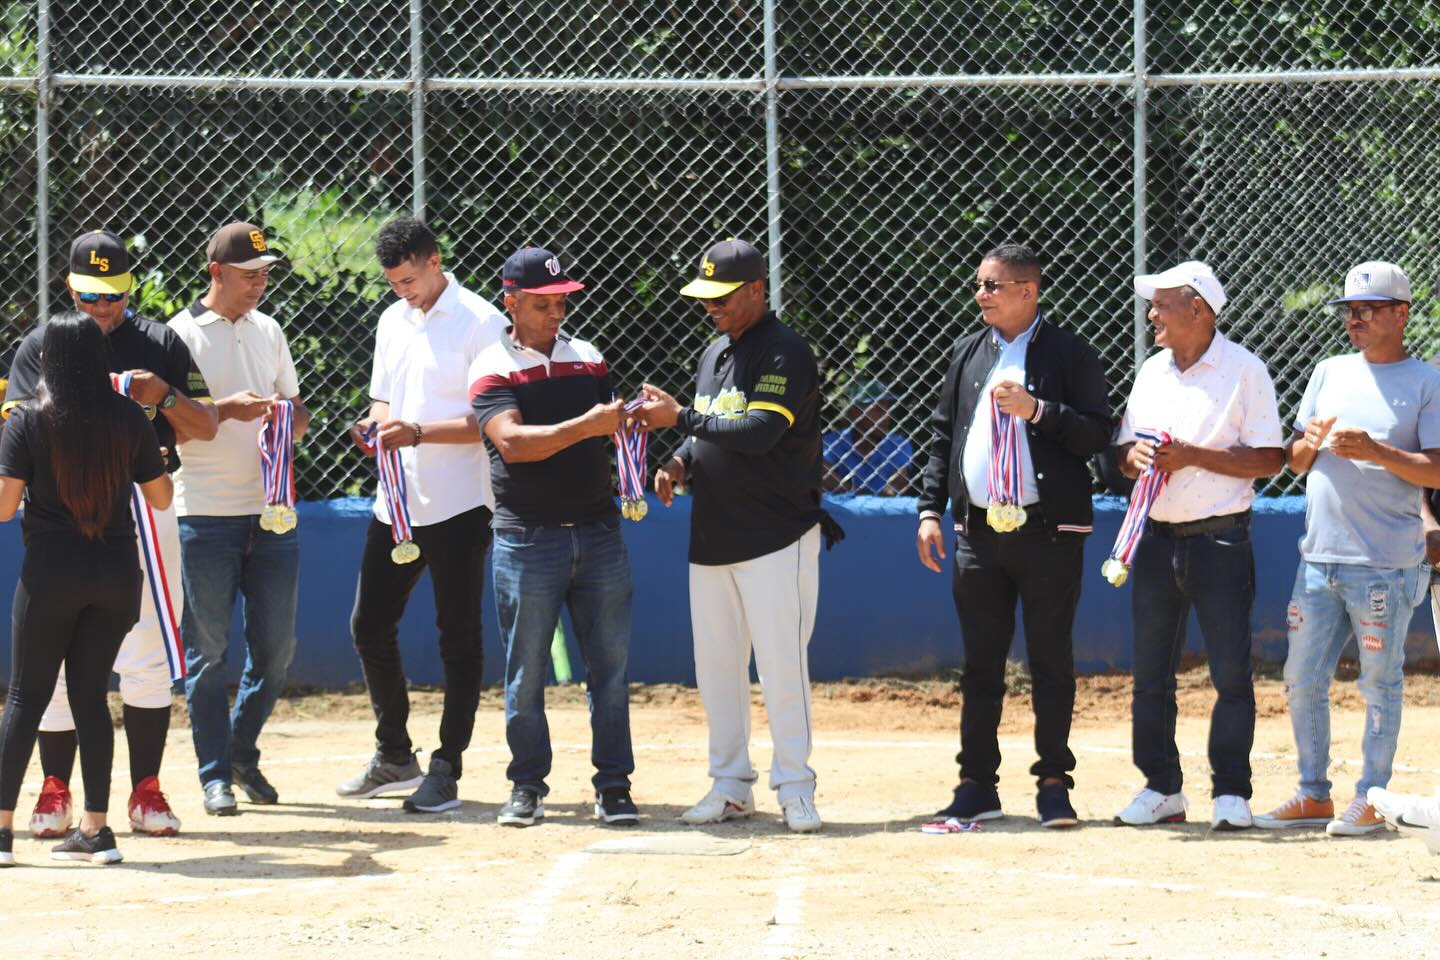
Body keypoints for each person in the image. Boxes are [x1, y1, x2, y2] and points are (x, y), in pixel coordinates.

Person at [4, 230, 217, 840]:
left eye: (115, 296)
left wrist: (165, 395)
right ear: (70, 286)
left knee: (148, 649)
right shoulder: (43, 343)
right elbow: (17, 424)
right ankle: (54, 788)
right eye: (93, 296)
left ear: (131, 288)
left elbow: (205, 424)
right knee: (55, 660)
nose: (104, 309)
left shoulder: (157, 339)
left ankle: (145, 789)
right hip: (61, 509)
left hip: (146, 505)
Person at [638, 237, 835, 834]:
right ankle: (729, 787)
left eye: (722, 297)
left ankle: (796, 788)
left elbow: (756, 433)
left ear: (756, 290)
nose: (711, 307)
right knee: (718, 669)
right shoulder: (715, 351)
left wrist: (679, 419)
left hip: (777, 535)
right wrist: (678, 461)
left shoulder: (784, 352)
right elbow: (710, 428)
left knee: (782, 668)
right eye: (705, 296)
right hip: (714, 535)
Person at [915, 242, 1111, 828]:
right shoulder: (966, 352)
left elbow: (1096, 433)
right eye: (979, 283)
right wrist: (929, 510)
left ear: (1029, 291)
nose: (980, 294)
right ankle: (977, 784)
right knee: (980, 664)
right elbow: (943, 435)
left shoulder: (1069, 353)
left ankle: (1054, 783)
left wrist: (1037, 411)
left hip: (1048, 532)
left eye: (992, 285)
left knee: (1051, 660)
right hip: (976, 531)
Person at [1255, 261, 1440, 835]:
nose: (1353, 319)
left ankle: (1372, 798)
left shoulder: (1426, 379)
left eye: (1367, 310)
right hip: (1319, 557)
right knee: (1301, 677)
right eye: (1349, 311)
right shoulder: (1329, 369)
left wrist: (1376, 450)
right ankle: (1314, 793)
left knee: (1379, 682)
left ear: (1401, 314)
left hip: (1384, 563)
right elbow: (1297, 458)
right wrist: (1304, 447)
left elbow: (1435, 469)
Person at [337, 217, 505, 814]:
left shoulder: (482, 321)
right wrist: (376, 424)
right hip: (397, 500)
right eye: (393, 283)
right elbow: (385, 398)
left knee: (457, 636)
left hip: (460, 503)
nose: (402, 291)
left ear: (435, 260)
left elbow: (491, 419)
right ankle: (395, 755)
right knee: (368, 625)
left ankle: (446, 767)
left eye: (409, 279)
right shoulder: (391, 319)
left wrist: (417, 432)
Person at [1111, 261, 1284, 831]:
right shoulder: (1152, 372)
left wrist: (1195, 456)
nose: (1151, 315)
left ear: (1199, 310)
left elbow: (1267, 459)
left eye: (1161, 305)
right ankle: (1162, 788)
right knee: (1150, 674)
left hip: (1221, 539)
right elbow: (1124, 449)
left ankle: (1232, 792)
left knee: (1231, 670)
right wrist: (1130, 458)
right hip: (1156, 540)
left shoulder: (1245, 370)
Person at [470, 245, 637, 828]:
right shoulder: (489, 365)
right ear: (511, 301)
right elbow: (512, 443)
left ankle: (614, 787)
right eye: (542, 302)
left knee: (610, 670)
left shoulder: (589, 358)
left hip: (598, 533)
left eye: (562, 300)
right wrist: (589, 426)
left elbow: (610, 437)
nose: (556, 311)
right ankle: (526, 785)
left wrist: (625, 431)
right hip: (526, 540)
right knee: (526, 672)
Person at [0, 311, 172, 866]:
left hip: (52, 572)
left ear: (46, 361)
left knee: (26, 699)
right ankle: (97, 833)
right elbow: (162, 497)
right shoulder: (128, 416)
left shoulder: (28, 420)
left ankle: (2, 834)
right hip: (117, 575)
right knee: (91, 698)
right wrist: (153, 464)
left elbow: (4, 508)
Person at [168, 222, 311, 815]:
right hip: (202, 511)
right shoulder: (176, 334)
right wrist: (224, 411)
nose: (259, 283)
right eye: (249, 274)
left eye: (265, 273)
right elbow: (170, 418)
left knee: (276, 650)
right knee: (206, 652)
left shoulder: (269, 329)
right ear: (215, 273)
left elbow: (297, 409)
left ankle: (238, 753)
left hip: (272, 511)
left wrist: (287, 420)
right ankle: (213, 776)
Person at [822, 379, 913, 495]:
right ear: (856, 411)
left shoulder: (899, 444)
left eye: (888, 409)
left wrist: (853, 496)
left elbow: (895, 487)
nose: (886, 416)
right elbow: (825, 478)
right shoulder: (831, 442)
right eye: (878, 409)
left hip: (883, 511)